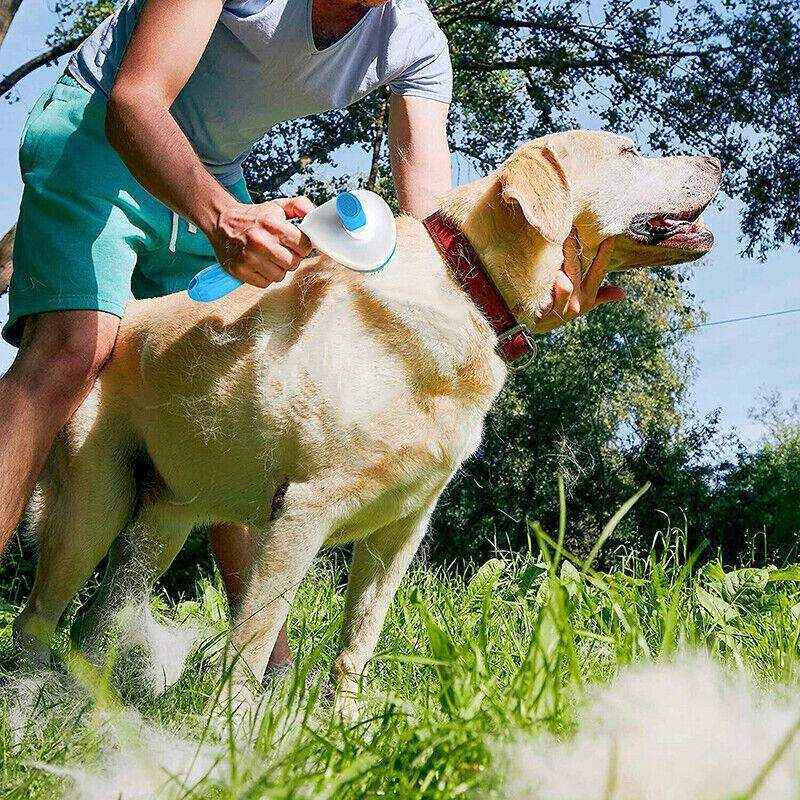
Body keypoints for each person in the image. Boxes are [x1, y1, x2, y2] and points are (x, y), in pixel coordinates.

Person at [0, 0, 625, 669]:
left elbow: (436, 243)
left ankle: (270, 680)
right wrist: (224, 218)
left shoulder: (415, 45)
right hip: (100, 131)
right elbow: (136, 101)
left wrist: (525, 295)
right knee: (74, 352)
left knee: (235, 384)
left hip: (212, 167)